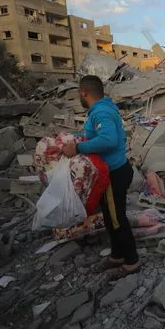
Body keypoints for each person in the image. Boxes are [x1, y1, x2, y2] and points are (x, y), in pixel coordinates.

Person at [63, 75, 140, 277]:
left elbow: (108, 140)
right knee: (109, 217)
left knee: (117, 219)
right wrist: (78, 140)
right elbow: (98, 137)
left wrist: (78, 146)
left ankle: (132, 261)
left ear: (83, 93)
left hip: (114, 174)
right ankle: (117, 255)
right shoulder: (100, 110)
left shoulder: (102, 112)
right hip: (107, 173)